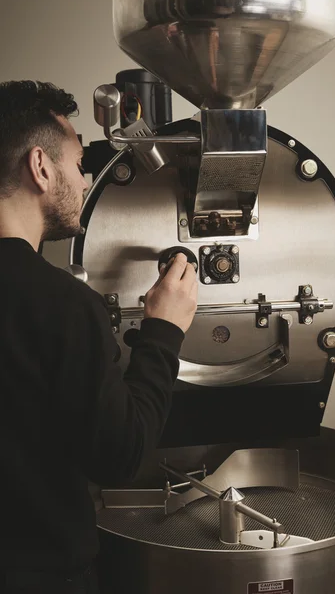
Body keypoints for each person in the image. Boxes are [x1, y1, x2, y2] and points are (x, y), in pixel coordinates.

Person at [0, 80, 198, 593]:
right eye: (78, 161)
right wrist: (164, 331)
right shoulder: (60, 304)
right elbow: (120, 455)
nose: (86, 180)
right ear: (41, 167)